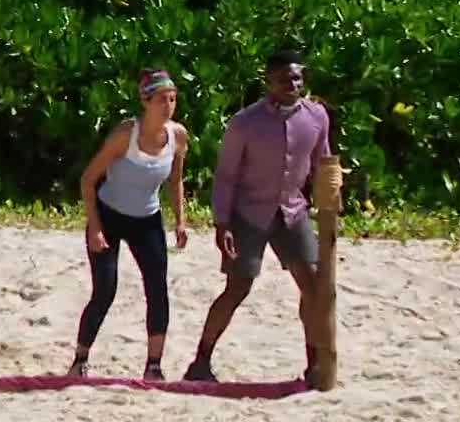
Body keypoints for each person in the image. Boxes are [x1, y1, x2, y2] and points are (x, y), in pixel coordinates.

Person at [184, 50, 332, 384]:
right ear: (268, 82)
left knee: (312, 285)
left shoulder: (316, 116)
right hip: (249, 214)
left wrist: (331, 194)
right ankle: (201, 361)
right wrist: (222, 223)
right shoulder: (245, 123)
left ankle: (314, 362)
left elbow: (323, 162)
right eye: (283, 79)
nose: (292, 85)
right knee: (238, 287)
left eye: (296, 78)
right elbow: (226, 176)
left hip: (293, 211)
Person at [69, 69, 191, 380]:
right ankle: (80, 359)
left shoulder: (178, 136)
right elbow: (88, 179)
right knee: (105, 290)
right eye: (162, 100)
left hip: (147, 221)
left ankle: (154, 365)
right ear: (146, 102)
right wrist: (94, 227)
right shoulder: (126, 134)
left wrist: (180, 220)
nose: (168, 106)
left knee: (157, 290)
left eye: (172, 99)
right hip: (108, 216)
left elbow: (176, 181)